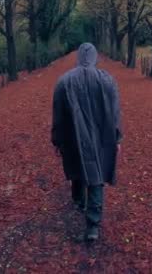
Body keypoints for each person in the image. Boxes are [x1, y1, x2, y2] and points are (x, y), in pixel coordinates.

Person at [51, 42, 122, 241]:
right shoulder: (107, 80)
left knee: (78, 165)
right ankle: (92, 224)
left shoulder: (63, 81)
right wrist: (117, 137)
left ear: (78, 57)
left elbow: (58, 115)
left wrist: (57, 141)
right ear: (95, 57)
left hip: (74, 136)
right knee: (96, 174)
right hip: (102, 137)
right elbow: (115, 113)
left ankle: (80, 202)